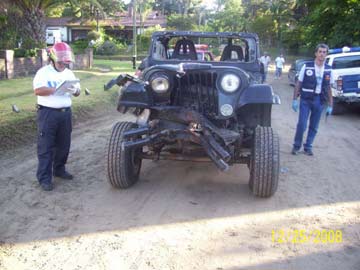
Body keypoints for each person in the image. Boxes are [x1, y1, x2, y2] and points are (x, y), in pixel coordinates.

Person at [33, 42, 80, 191]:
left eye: (65, 61)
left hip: (65, 113)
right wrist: (56, 89)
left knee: (63, 145)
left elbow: (77, 92)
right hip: (48, 113)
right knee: (46, 146)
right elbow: (38, 91)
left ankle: (59, 169)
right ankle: (44, 178)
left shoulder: (68, 73)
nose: (62, 64)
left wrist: (75, 91)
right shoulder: (43, 72)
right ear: (53, 58)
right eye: (60, 61)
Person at [291, 43, 333, 156]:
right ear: (316, 53)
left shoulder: (329, 70)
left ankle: (308, 146)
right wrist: (295, 99)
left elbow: (329, 87)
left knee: (314, 126)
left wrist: (330, 105)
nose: (322, 54)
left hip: (319, 101)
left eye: (324, 52)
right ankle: (296, 146)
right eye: (320, 52)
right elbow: (298, 83)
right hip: (306, 100)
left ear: (326, 54)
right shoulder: (307, 66)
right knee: (302, 124)